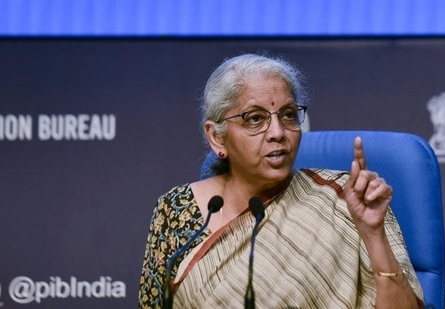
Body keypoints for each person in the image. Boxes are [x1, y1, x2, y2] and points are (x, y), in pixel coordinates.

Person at [138, 53, 424, 308]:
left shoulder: (346, 198)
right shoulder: (176, 210)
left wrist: (373, 234)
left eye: (288, 115)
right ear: (216, 137)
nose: (277, 132)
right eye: (254, 118)